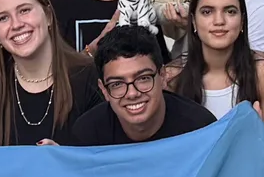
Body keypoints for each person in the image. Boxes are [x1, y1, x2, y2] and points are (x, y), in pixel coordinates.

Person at [164, 0, 264, 173]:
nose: (219, 21)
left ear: (242, 21)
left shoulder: (263, 73)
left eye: (230, 11)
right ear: (193, 22)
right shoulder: (173, 77)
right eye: (207, 12)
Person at [0, 0, 99, 148]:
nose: (16, 24)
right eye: (3, 18)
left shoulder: (89, 76)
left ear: (48, 16)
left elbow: (104, 158)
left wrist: (64, 157)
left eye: (24, 10)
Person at [68, 25, 215, 146]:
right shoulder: (87, 135)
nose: (132, 93)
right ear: (104, 90)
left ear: (163, 76)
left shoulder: (200, 129)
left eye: (143, 78)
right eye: (117, 84)